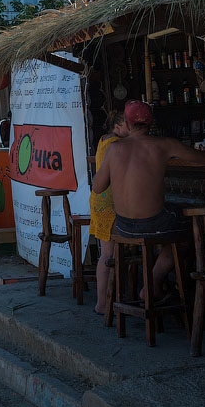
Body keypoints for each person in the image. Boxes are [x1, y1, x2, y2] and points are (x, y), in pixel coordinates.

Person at [91, 100, 205, 302]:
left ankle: (150, 287)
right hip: (154, 225)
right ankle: (153, 285)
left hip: (123, 228)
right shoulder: (165, 144)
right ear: (151, 123)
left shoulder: (113, 149)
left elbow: (97, 187)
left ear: (128, 124)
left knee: (172, 224)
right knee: (186, 237)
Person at [90, 110, 129, 315]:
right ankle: (103, 303)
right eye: (128, 125)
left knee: (107, 252)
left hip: (101, 201)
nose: (131, 129)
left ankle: (104, 301)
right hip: (108, 203)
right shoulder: (116, 144)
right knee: (107, 253)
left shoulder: (104, 140)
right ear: (117, 127)